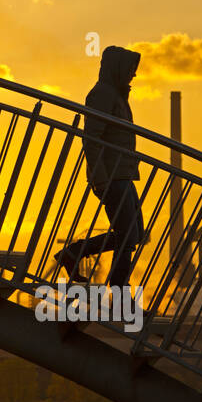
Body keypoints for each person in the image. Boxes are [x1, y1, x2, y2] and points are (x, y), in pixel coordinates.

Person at [54, 46, 145, 288]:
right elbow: (92, 138)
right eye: (130, 69)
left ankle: (74, 253)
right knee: (128, 236)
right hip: (111, 176)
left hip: (123, 174)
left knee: (135, 234)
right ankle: (119, 295)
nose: (133, 75)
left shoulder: (115, 95)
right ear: (117, 69)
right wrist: (100, 178)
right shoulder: (102, 94)